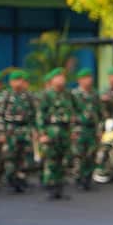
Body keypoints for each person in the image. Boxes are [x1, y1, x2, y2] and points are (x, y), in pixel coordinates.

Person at [36, 68, 77, 200]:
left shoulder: (68, 94)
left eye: (62, 77)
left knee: (62, 160)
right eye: (57, 77)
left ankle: (59, 188)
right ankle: (51, 188)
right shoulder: (46, 95)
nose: (61, 79)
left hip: (65, 132)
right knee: (51, 161)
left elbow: (73, 113)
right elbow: (40, 115)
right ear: (52, 80)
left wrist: (73, 131)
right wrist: (42, 134)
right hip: (51, 131)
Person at [0, 70, 37, 193]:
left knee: (24, 157)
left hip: (24, 129)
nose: (19, 82)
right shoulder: (5, 95)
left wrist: (35, 130)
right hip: (11, 130)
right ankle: (11, 178)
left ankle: (21, 180)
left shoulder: (28, 96)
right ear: (11, 82)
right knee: (10, 157)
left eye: (20, 79)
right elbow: (0, 115)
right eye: (16, 80)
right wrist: (1, 132)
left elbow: (34, 114)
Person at [72, 68, 101, 191]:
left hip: (92, 129)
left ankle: (88, 178)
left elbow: (99, 113)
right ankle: (79, 178)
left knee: (91, 154)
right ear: (80, 80)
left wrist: (100, 129)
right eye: (85, 78)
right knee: (79, 155)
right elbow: (71, 113)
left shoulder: (94, 94)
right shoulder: (74, 94)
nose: (89, 80)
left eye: (90, 77)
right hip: (79, 129)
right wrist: (72, 130)